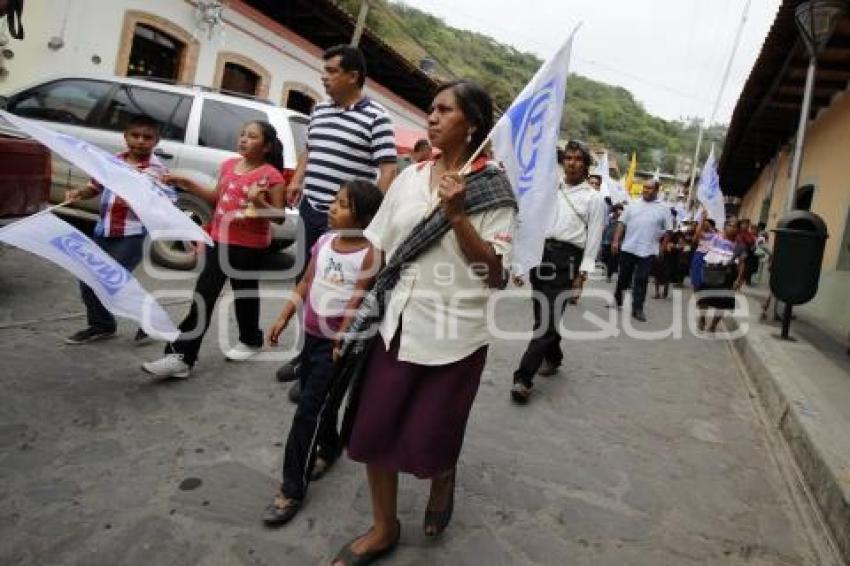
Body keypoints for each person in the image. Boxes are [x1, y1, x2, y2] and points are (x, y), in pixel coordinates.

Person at [329, 80, 517, 564]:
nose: (431, 117)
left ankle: (443, 474)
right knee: (372, 431)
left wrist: (458, 216)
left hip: (455, 336)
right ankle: (384, 526)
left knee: (433, 438)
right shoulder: (412, 178)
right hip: (395, 324)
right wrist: (353, 315)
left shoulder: (493, 189)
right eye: (430, 109)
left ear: (471, 123)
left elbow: (494, 274)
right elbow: (381, 248)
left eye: (443, 110)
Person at [276, 44, 398, 391]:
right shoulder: (319, 110)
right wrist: (298, 179)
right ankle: (305, 355)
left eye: (331, 71)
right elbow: (310, 150)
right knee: (307, 283)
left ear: (353, 76)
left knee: (338, 293)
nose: (324, 77)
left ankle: (323, 366)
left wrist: (370, 219)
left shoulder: (377, 117)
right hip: (312, 210)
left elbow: (386, 169)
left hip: (347, 223)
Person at [262, 180, 383, 527]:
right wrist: (284, 315)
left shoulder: (370, 253)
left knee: (307, 412)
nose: (332, 207)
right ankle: (329, 448)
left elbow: (359, 297)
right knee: (325, 402)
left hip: (336, 346)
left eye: (342, 204)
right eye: (334, 200)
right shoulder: (325, 241)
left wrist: (342, 337)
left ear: (363, 216)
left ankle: (291, 488)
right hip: (312, 339)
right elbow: (305, 281)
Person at [141, 121, 287, 378]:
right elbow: (216, 198)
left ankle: (251, 339)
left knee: (245, 295)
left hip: (249, 247)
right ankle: (181, 358)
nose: (243, 139)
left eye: (251, 137)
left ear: (266, 147)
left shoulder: (271, 175)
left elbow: (278, 216)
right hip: (219, 240)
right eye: (242, 134)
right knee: (203, 296)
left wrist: (256, 199)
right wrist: (188, 183)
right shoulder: (229, 165)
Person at [510, 141, 604, 404]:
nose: (572, 163)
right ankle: (554, 356)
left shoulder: (593, 199)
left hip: (567, 261)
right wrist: (521, 262)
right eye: (569, 158)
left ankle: (523, 379)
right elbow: (532, 223)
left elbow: (594, 239)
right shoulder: (551, 189)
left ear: (586, 165)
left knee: (546, 323)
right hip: (542, 256)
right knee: (543, 317)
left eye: (578, 159)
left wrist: (581, 276)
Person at [64, 114, 170, 345]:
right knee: (88, 277)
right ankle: (101, 325)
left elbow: (157, 199)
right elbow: (95, 187)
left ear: (156, 141)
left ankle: (150, 322)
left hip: (133, 233)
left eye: (147, 137)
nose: (140, 141)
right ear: (125, 136)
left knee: (114, 281)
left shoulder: (157, 169)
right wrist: (78, 193)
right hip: (104, 230)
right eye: (135, 135)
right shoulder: (112, 160)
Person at [611, 179, 673, 322]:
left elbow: (669, 231)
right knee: (623, 277)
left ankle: (637, 308)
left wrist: (662, 248)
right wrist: (615, 241)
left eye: (650, 188)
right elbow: (621, 223)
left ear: (657, 190)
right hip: (629, 247)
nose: (645, 190)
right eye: (645, 187)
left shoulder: (664, 208)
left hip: (648, 250)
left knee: (641, 279)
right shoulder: (633, 203)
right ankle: (617, 300)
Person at [695, 218, 747, 333]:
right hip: (711, 271)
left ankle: (713, 325)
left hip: (728, 275)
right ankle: (702, 318)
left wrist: (738, 280)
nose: (733, 229)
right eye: (730, 225)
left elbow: (742, 264)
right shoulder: (715, 237)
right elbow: (699, 234)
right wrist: (702, 219)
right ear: (725, 226)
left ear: (738, 230)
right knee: (703, 298)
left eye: (736, 227)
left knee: (723, 302)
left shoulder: (740, 246)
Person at [600, 203, 624, 282]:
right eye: (618, 209)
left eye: (620, 209)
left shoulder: (622, 219)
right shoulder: (610, 217)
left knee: (613, 259)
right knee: (605, 258)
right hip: (606, 240)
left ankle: (609, 275)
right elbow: (604, 227)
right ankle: (607, 271)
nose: (619, 211)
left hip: (616, 242)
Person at [690, 217, 716, 290]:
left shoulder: (715, 234)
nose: (705, 225)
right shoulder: (700, 233)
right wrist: (702, 221)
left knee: (706, 275)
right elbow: (695, 238)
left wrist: (708, 225)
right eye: (704, 224)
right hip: (699, 255)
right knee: (696, 273)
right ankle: (696, 287)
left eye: (707, 224)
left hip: (709, 256)